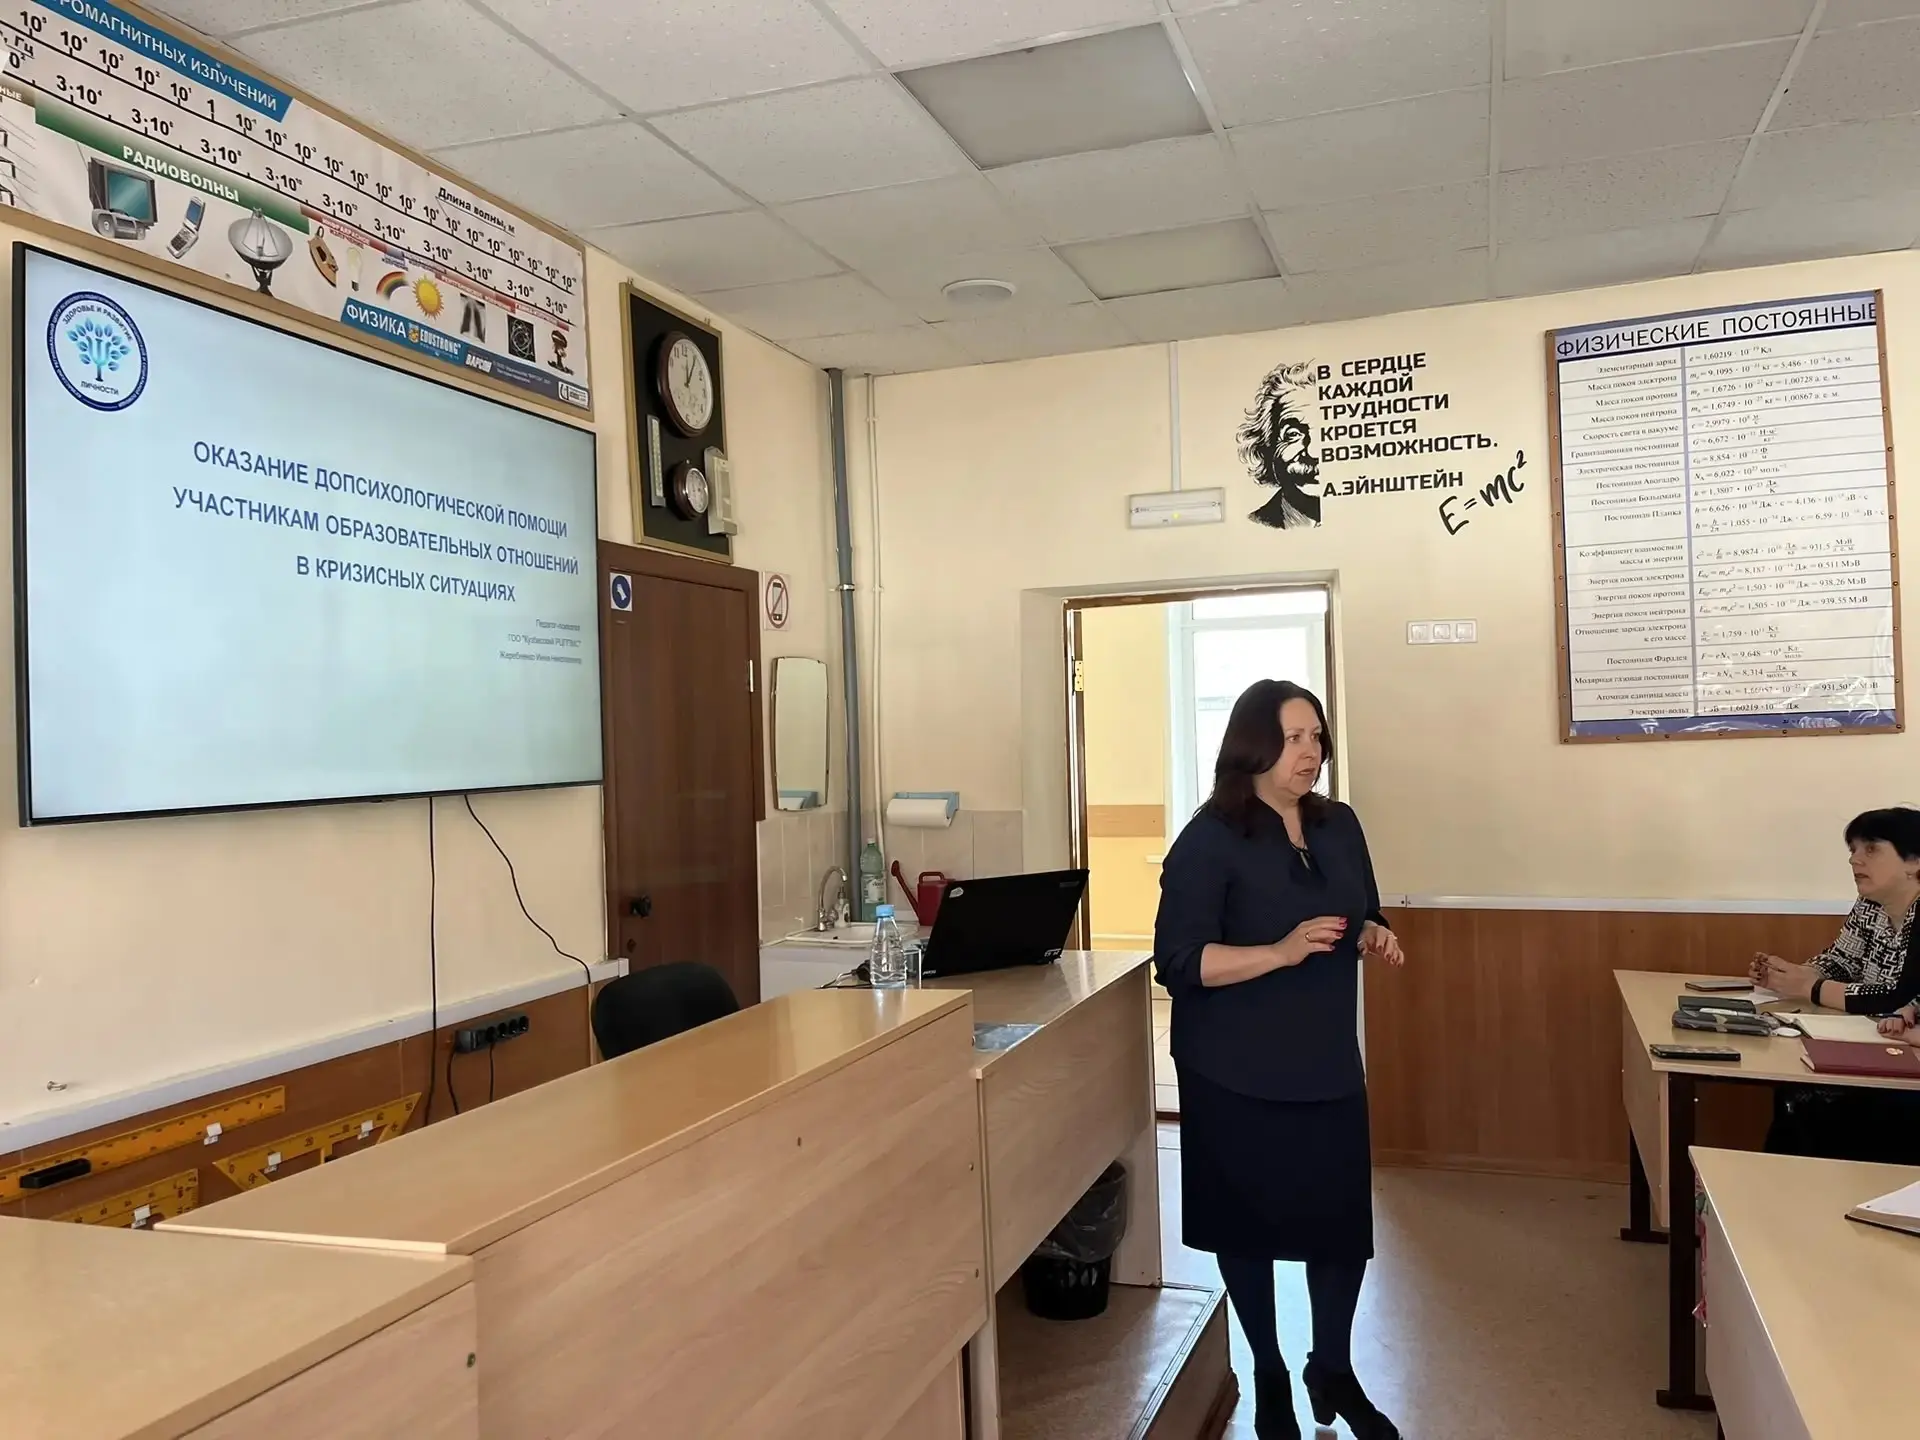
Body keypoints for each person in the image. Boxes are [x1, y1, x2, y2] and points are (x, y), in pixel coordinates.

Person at [1153, 679, 1403, 1440]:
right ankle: (1268, 1370)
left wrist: (1374, 931)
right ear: (1254, 746)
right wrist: (1279, 951)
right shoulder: (1210, 837)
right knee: (1248, 1227)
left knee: (1339, 1225)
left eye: (1317, 737)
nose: (1310, 752)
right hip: (1231, 1068)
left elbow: (1363, 906)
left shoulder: (1338, 824)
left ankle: (1333, 1366)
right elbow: (1179, 962)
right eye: (1294, 738)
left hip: (1323, 1057)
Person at [1752, 807, 1920, 1163]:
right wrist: (1789, 975)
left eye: (1871, 849)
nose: (1855, 860)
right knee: (1796, 1090)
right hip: (1875, 1042)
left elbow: (1896, 995)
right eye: (1853, 850)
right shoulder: (1870, 904)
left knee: (1822, 1103)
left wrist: (1810, 988)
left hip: (1907, 1059)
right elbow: (1842, 960)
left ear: (1914, 862)